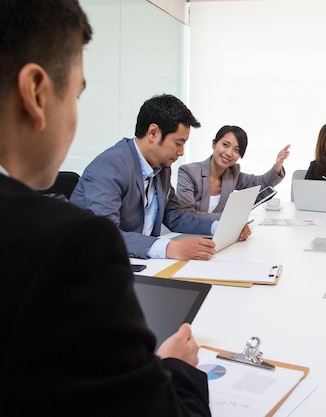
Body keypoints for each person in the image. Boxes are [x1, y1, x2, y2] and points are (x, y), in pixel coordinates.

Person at [0, 1, 210, 415]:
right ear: (37, 93)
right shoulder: (77, 239)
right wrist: (174, 369)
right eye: (76, 95)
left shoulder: (162, 168)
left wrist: (218, 224)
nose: (183, 152)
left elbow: (171, 214)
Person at [70, 94, 250, 260]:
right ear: (153, 133)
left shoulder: (161, 168)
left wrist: (220, 227)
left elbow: (175, 216)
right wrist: (170, 248)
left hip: (138, 263)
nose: (181, 152)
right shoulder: (110, 166)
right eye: (178, 143)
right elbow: (105, 235)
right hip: (93, 266)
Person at [176, 125, 290, 219]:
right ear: (214, 144)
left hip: (215, 236)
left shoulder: (232, 174)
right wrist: (229, 218)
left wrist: (278, 164)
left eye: (236, 150)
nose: (229, 153)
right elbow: (186, 214)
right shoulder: (189, 172)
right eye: (225, 145)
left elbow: (263, 183)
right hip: (187, 235)